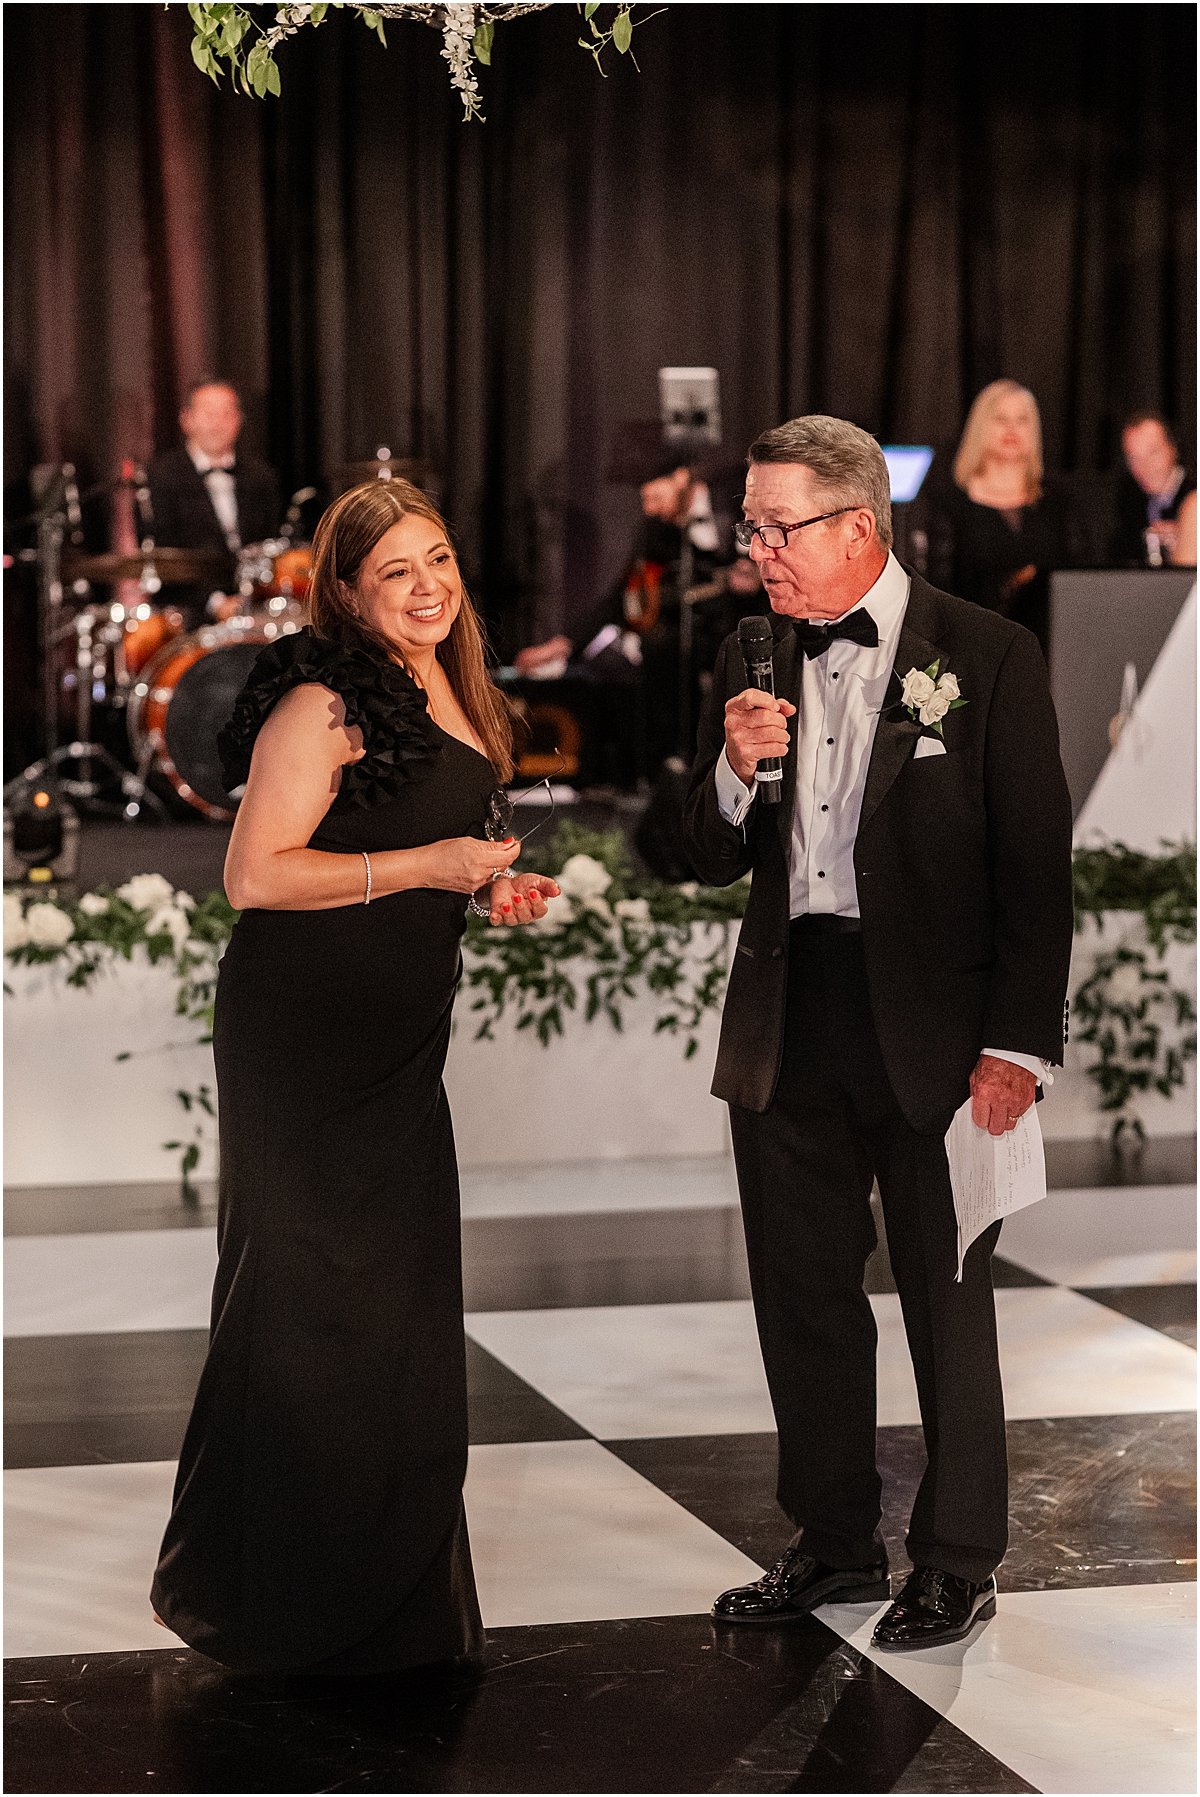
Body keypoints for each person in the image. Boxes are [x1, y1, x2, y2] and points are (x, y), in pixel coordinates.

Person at [151, 479, 560, 1676]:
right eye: (397, 574)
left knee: (396, 1308)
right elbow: (256, 877)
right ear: (346, 591)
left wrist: (483, 887)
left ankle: (383, 1602)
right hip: (302, 1039)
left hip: (395, 1046)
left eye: (439, 560)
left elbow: (416, 853)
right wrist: (431, 859)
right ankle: (276, 1608)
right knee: (302, 1307)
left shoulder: (459, 688)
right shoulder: (326, 701)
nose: (429, 588)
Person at [683, 415, 1073, 1652]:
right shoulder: (749, 647)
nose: (758, 552)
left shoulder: (989, 653)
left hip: (942, 1031)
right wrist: (734, 775)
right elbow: (683, 851)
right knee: (802, 1298)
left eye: (776, 526)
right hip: (791, 1017)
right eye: (750, 527)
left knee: (947, 1299)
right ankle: (832, 1539)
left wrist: (1018, 1045)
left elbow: (1034, 868)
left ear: (859, 525)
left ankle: (960, 1558)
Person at [933, 380, 1068, 652]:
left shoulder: (1058, 501)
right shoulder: (949, 502)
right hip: (975, 646)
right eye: (1001, 419)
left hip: (1049, 647)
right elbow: (940, 590)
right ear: (981, 425)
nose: (1012, 430)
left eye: (1022, 420)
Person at [147, 381, 282, 625]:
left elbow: (271, 546)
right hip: (189, 616)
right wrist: (216, 602)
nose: (218, 423)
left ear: (239, 421)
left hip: (255, 610)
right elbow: (163, 559)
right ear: (186, 420)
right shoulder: (160, 478)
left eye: (227, 414)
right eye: (209, 414)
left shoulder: (261, 476)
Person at [1110, 413, 1196, 567]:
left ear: (1173, 448)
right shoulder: (1128, 502)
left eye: (1153, 452)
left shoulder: (1193, 494)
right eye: (1134, 457)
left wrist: (1187, 538)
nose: (1144, 467)